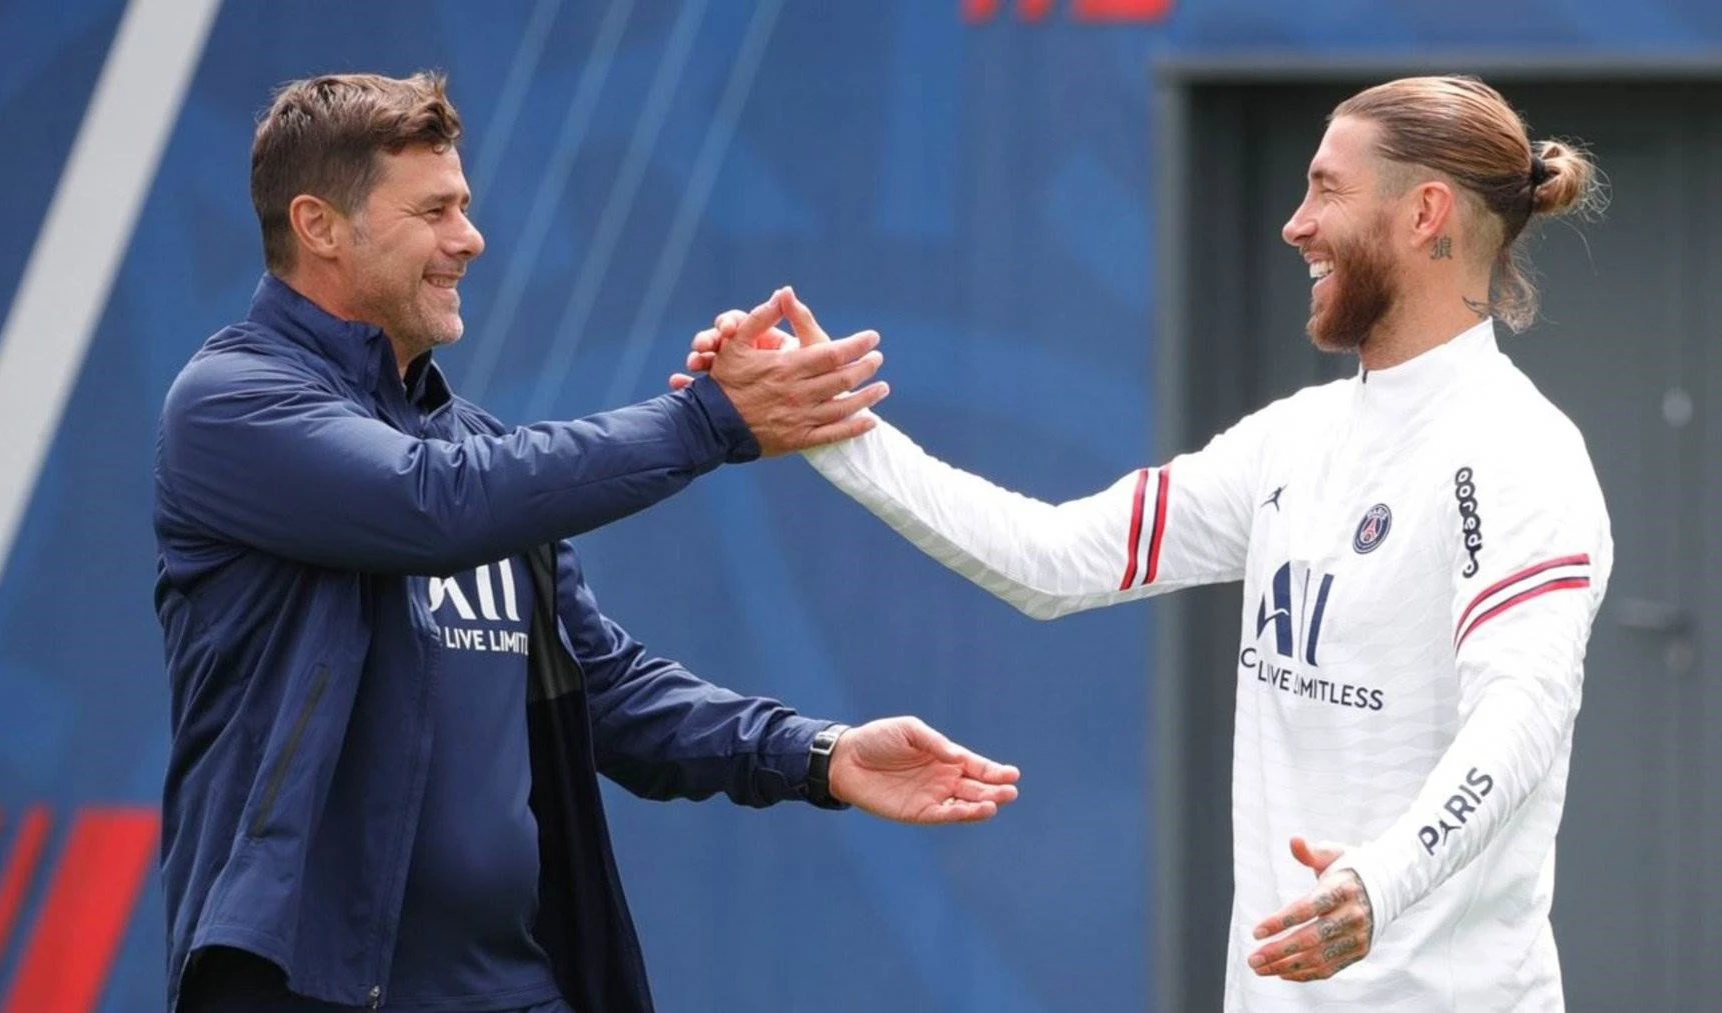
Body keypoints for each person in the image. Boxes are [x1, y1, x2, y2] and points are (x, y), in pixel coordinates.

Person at [678, 76, 1611, 1010]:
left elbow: (1521, 716)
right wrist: (832, 427)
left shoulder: (1519, 453)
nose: (1296, 224)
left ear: (1426, 213)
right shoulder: (1296, 438)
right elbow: (1048, 560)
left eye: (1327, 188)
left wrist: (1382, 881)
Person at [154, 71, 1020, 1013]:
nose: (469, 239)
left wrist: (818, 754)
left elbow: (599, 684)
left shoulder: (476, 451)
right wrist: (704, 424)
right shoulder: (231, 405)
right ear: (319, 224)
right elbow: (428, 507)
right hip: (309, 992)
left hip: (515, 988)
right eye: (435, 210)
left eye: (467, 206)